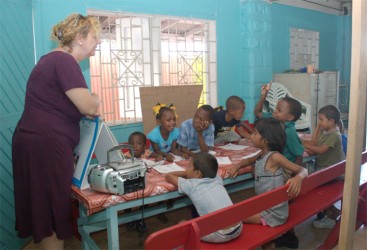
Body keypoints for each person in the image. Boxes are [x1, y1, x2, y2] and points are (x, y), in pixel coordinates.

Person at [11, 13, 101, 249]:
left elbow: (64, 105)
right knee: (51, 211)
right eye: (94, 36)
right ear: (80, 38)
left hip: (35, 143)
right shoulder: (64, 62)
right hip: (46, 146)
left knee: (42, 209)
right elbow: (88, 106)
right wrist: (95, 98)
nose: (98, 42)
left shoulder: (52, 60)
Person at [229, 118, 308, 249]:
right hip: (265, 206)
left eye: (254, 133)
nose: (251, 136)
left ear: (265, 140)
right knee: (236, 210)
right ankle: (268, 244)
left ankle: (267, 244)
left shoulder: (274, 157)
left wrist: (298, 178)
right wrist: (238, 165)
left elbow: (302, 170)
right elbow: (248, 160)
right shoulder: (262, 154)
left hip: (273, 214)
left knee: (233, 217)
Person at [254, 83, 305, 248]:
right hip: (276, 166)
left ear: (289, 117)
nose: (274, 112)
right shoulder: (275, 123)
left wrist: (294, 176)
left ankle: (284, 236)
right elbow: (257, 113)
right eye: (275, 109)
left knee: (277, 199)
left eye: (279, 110)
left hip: (285, 170)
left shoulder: (289, 132)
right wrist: (263, 95)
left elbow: (299, 155)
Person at [165, 152, 243, 243]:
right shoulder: (217, 179)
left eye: (189, 166)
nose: (187, 169)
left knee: (182, 223)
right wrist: (191, 172)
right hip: (238, 228)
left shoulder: (191, 185)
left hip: (220, 235)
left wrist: (187, 173)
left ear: (198, 174)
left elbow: (168, 176)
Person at [303, 105, 345, 229]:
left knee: (312, 187)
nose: (319, 122)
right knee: (311, 178)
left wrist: (303, 144)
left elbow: (321, 150)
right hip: (325, 168)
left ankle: (327, 216)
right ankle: (329, 213)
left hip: (334, 171)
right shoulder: (325, 131)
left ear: (331, 121)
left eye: (321, 120)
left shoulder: (334, 135)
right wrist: (317, 128)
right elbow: (314, 142)